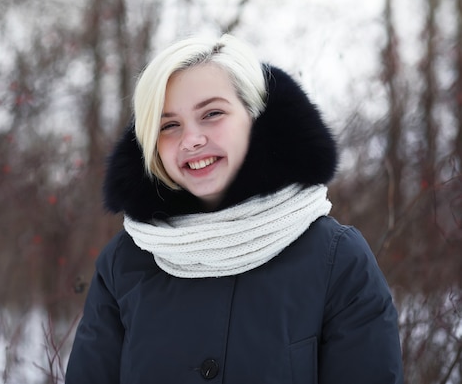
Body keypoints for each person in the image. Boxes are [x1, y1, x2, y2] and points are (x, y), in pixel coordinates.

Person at [65, 34, 404, 383]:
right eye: (169, 125)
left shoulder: (336, 259)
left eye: (212, 114)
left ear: (255, 117)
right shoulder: (123, 263)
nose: (191, 139)